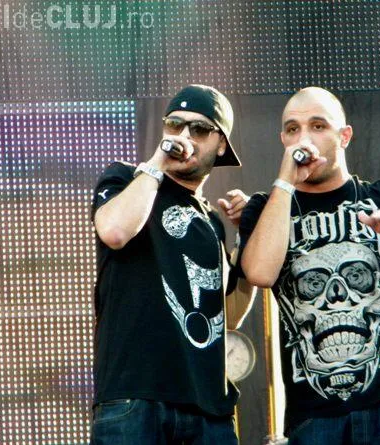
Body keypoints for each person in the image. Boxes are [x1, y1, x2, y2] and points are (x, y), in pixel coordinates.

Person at [238, 87, 380, 444]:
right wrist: (286, 182)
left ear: (344, 136)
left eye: (318, 126)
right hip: (313, 417)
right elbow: (260, 273)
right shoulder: (266, 208)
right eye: (292, 129)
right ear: (283, 140)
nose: (304, 138)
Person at [90, 84, 255, 445]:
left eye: (199, 129)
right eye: (175, 124)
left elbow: (229, 314)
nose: (184, 136)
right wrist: (157, 164)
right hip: (135, 399)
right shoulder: (125, 179)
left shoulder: (211, 223)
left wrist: (246, 237)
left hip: (207, 409)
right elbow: (114, 231)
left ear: (221, 144)